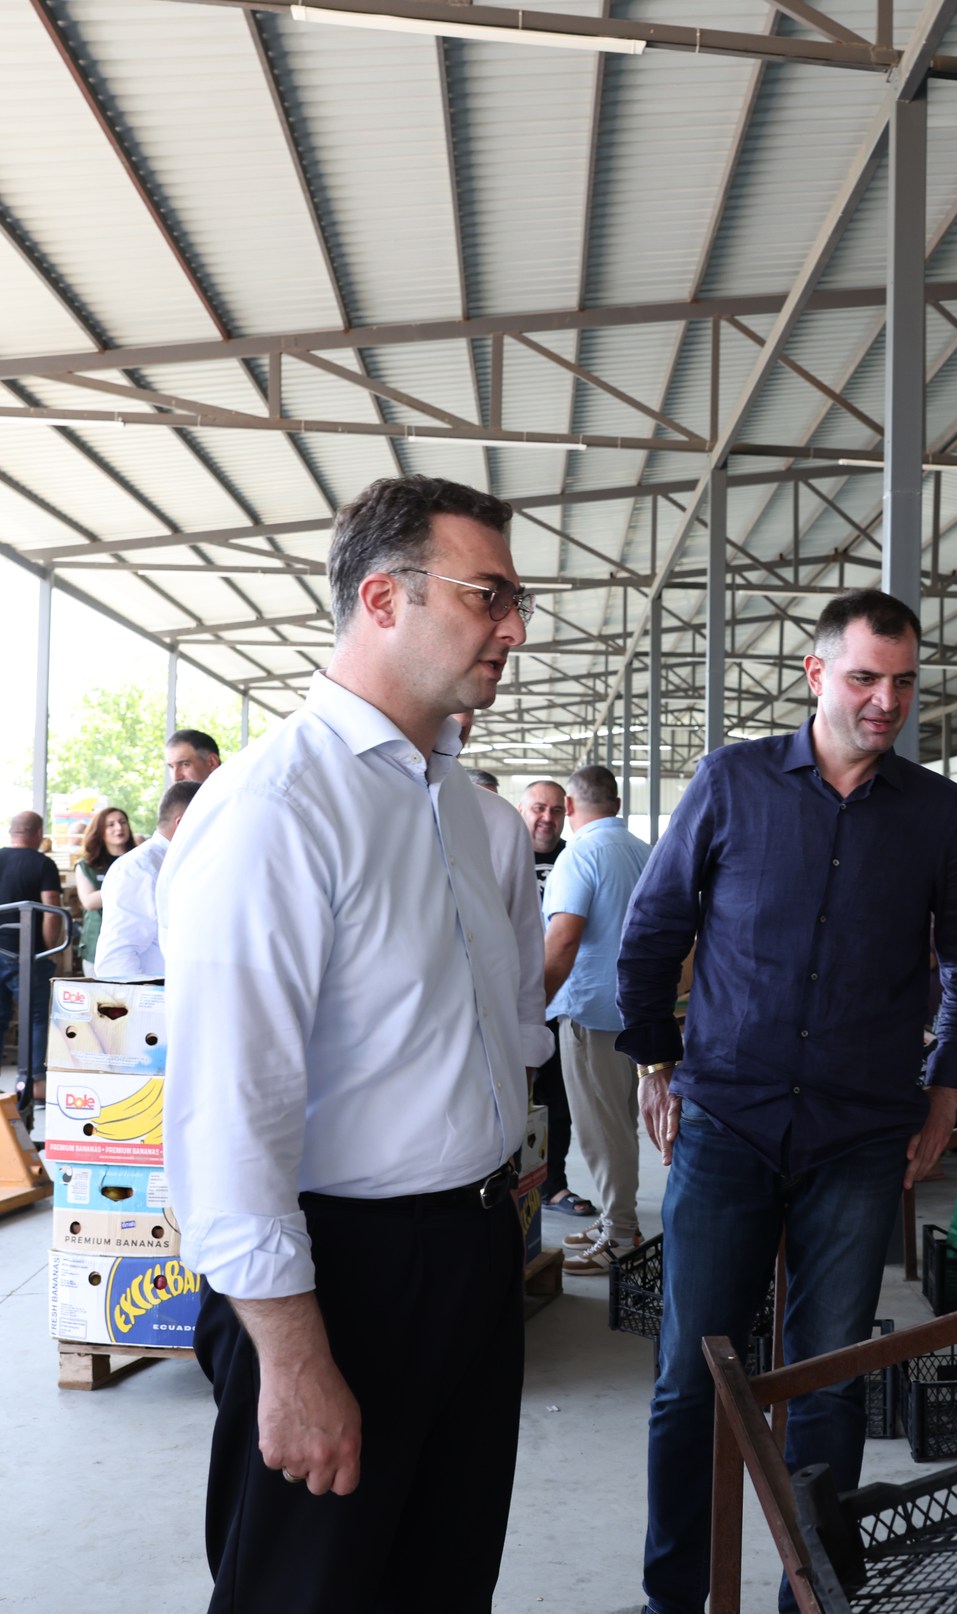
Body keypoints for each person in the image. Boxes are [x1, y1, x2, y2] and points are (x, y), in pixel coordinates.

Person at [159, 473, 533, 1613]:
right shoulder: (276, 807)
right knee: (308, 1591)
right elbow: (230, 1113)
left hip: (474, 1247)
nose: (514, 630)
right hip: (343, 1276)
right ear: (382, 598)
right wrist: (292, 1356)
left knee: (443, 1581)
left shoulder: (464, 809)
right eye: (487, 596)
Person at [617, 587, 957, 1614]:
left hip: (859, 1136)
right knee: (691, 1376)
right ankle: (674, 1598)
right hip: (728, 1122)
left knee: (830, 1379)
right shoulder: (733, 782)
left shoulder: (936, 814)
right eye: (865, 677)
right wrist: (654, 1061)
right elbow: (654, 928)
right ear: (816, 673)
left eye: (904, 682)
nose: (887, 701)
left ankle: (813, 1599)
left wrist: (945, 1094)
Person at [538, 765, 653, 1274]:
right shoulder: (643, 851)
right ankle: (616, 1218)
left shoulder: (580, 854)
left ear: (569, 806)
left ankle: (621, 1235)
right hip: (636, 1012)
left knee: (601, 1131)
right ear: (617, 803)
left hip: (590, 1012)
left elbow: (563, 938)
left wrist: (533, 1005)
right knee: (621, 1124)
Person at [455, 713, 552, 1082]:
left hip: (489, 1051)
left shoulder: (500, 821)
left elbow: (526, 941)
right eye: (539, 808)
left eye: (556, 809)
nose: (460, 719)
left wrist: (528, 1045)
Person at [520, 779, 586, 1215]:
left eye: (556, 810)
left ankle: (553, 1185)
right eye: (538, 809)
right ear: (521, 811)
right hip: (507, 995)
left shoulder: (574, 858)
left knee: (557, 1100)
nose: (547, 818)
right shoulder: (500, 853)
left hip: (559, 997)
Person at [96, 781, 199, 978]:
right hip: (159, 993)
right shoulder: (138, 869)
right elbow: (117, 961)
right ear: (182, 823)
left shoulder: (178, 861)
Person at [1, 810, 65, 1104]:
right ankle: (34, 1082)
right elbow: (51, 910)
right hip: (26, 954)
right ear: (39, 833)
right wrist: (49, 951)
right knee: (36, 1018)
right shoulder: (43, 864)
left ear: (12, 831)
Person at [72, 805, 135, 971]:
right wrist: (128, 883)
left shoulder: (140, 859)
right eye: (111, 824)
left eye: (123, 822)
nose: (119, 828)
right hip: (98, 944)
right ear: (99, 831)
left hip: (136, 940)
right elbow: (89, 902)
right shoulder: (87, 865)